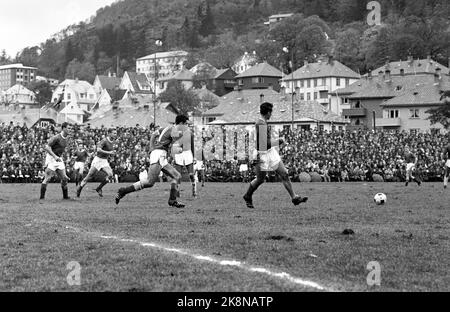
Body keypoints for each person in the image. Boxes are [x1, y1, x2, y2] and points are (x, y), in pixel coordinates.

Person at [243, 102, 308, 209]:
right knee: (260, 179)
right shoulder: (261, 124)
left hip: (270, 152)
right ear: (268, 112)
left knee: (284, 174)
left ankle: (294, 198)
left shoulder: (262, 122)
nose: (271, 114)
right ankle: (247, 195)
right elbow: (265, 144)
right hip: (261, 154)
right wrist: (279, 141)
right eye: (271, 112)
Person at [115, 115, 189, 208]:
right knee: (149, 182)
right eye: (186, 124)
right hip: (158, 155)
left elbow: (154, 134)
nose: (187, 126)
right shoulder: (174, 130)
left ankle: (172, 200)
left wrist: (151, 147)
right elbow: (176, 145)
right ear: (181, 123)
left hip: (161, 156)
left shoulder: (167, 128)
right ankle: (123, 191)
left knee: (177, 176)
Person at [76, 129, 117, 198]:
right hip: (98, 160)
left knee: (110, 175)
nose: (115, 134)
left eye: (116, 133)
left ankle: (99, 188)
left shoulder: (113, 141)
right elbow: (98, 149)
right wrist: (109, 153)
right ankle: (79, 189)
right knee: (88, 177)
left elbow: (110, 151)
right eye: (114, 133)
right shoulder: (104, 140)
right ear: (109, 133)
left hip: (104, 161)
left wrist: (111, 156)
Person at [40, 122, 72, 200]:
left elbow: (61, 149)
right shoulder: (56, 137)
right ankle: (42, 198)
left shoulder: (67, 138)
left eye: (71, 128)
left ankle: (65, 197)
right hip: (51, 158)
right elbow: (47, 147)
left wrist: (65, 157)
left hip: (59, 159)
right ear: (63, 128)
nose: (70, 130)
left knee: (64, 178)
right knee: (47, 178)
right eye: (68, 128)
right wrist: (54, 156)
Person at [173, 123, 197, 197]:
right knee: (178, 175)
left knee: (191, 174)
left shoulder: (190, 134)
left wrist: (194, 157)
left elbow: (192, 146)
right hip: (179, 154)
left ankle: (194, 188)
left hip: (188, 153)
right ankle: (177, 191)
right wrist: (173, 156)